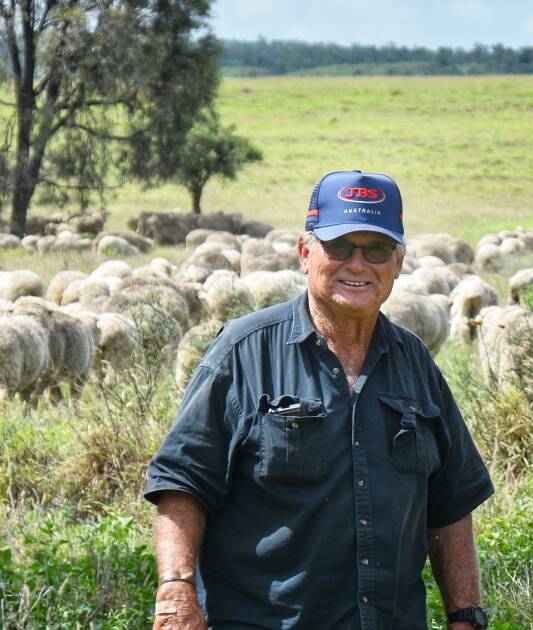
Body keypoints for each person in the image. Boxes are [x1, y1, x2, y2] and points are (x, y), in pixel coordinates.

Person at [145, 170, 493, 629]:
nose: (358, 264)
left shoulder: (415, 363)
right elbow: (182, 480)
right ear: (305, 254)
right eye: (340, 246)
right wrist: (176, 590)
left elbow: (451, 505)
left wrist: (465, 616)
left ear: (398, 262)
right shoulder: (244, 352)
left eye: (377, 249)